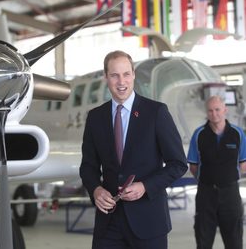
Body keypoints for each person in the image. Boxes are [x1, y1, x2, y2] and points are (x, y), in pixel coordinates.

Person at [79, 50, 188, 249]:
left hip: (148, 221)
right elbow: (88, 166)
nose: (121, 81)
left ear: (133, 75)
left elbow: (178, 164)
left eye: (126, 74)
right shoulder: (95, 117)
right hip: (108, 223)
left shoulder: (156, 112)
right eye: (114, 75)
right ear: (106, 77)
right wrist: (95, 189)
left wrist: (145, 186)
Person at [187, 95, 246, 249]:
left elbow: (243, 163)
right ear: (207, 112)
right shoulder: (199, 134)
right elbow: (193, 165)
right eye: (210, 111)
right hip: (206, 195)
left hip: (230, 194)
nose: (214, 114)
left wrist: (227, 177)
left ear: (225, 110)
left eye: (218, 109)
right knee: (203, 241)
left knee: (234, 242)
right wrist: (209, 179)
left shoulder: (238, 134)